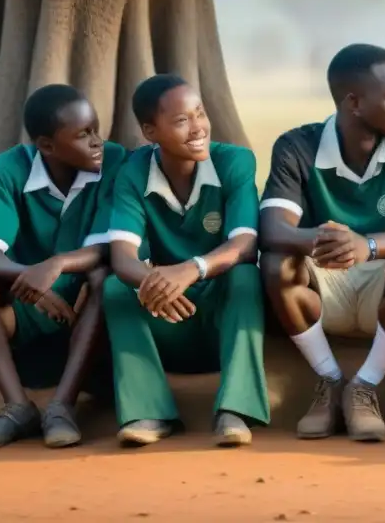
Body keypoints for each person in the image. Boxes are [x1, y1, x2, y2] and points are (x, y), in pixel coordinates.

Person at [260, 44, 385, 442]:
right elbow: (273, 229)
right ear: (354, 103)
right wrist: (322, 239)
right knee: (276, 263)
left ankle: (364, 387)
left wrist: (367, 245)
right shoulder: (297, 146)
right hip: (323, 285)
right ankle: (329, 380)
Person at [103, 74, 268, 448]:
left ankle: (236, 410)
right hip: (166, 316)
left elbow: (245, 244)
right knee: (115, 287)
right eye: (181, 121)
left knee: (245, 277)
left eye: (200, 113)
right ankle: (149, 411)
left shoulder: (235, 162)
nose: (198, 128)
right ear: (150, 131)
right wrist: (156, 282)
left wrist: (189, 270)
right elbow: (122, 258)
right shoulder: (132, 173)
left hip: (218, 317)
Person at [0, 84, 126, 449]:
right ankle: (17, 407)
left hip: (86, 308)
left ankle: (62, 407)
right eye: (84, 135)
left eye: (97, 129)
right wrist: (26, 277)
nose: (97, 142)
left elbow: (111, 244)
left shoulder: (114, 161)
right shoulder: (8, 168)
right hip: (26, 302)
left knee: (104, 276)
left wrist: (57, 265)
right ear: (47, 145)